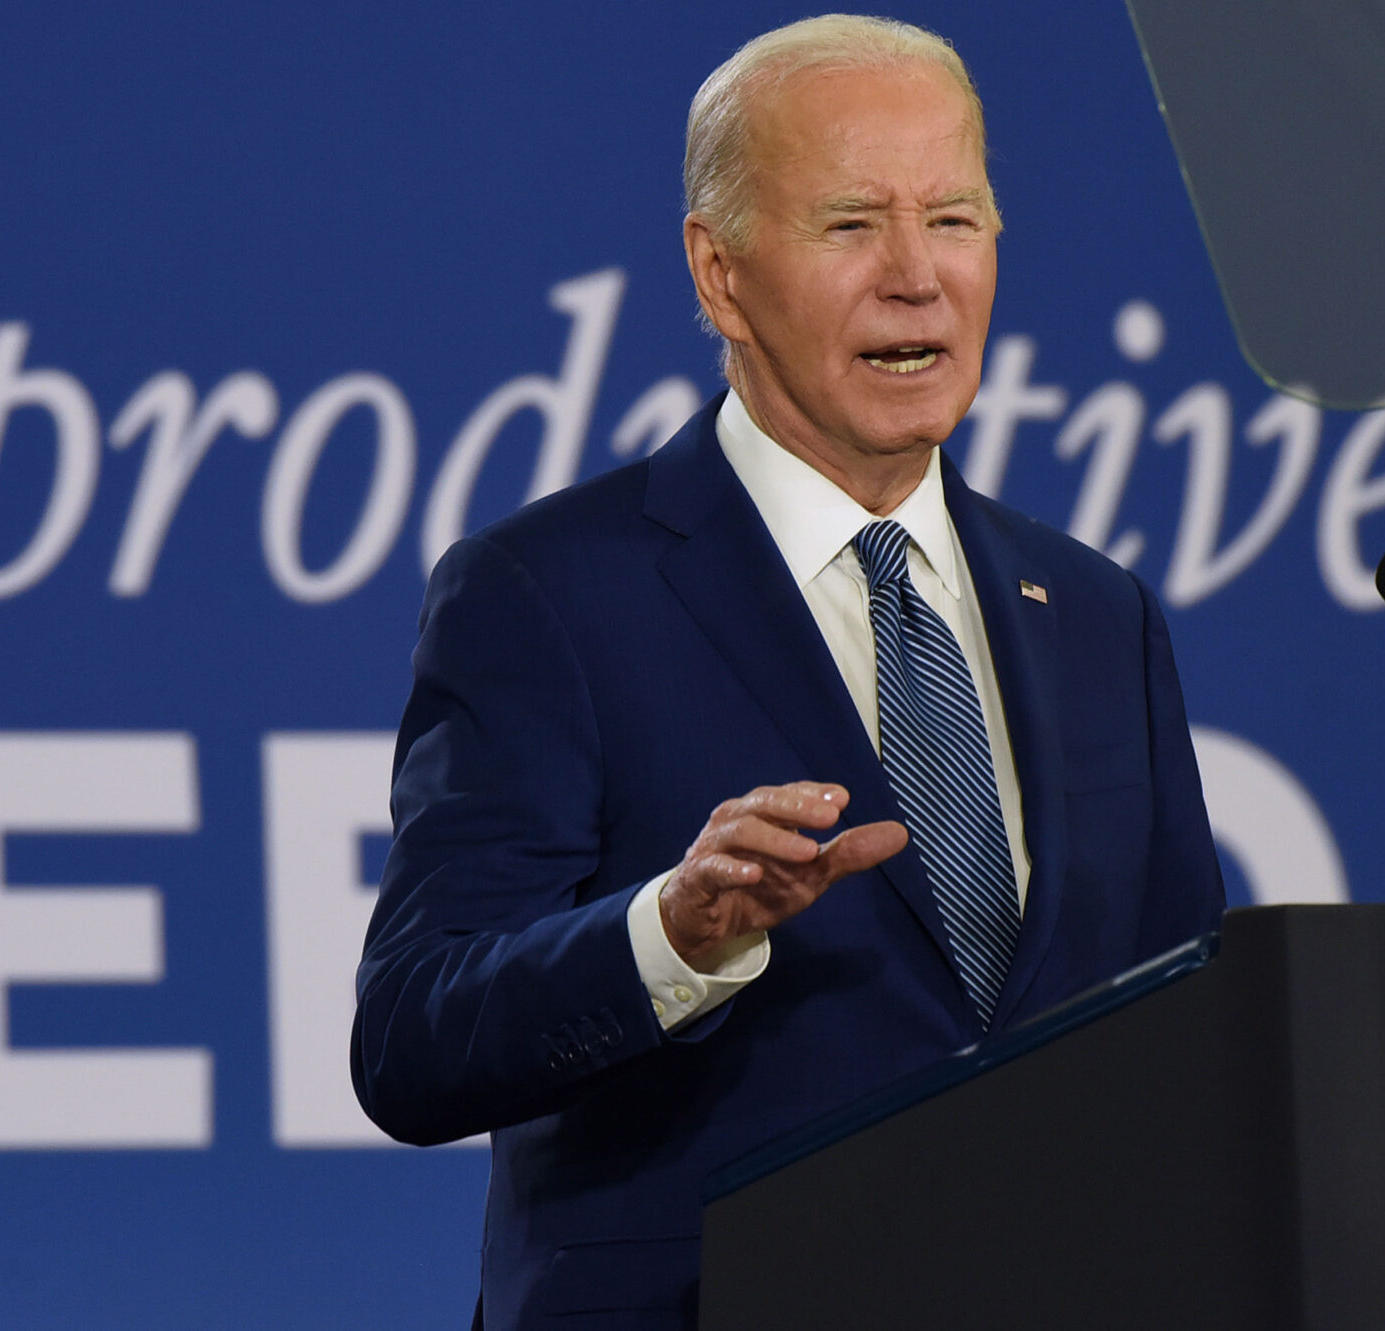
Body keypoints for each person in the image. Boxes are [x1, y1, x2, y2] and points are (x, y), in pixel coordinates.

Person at [351, 15, 1224, 1329]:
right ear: (719, 276)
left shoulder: (1097, 616)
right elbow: (412, 1038)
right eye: (852, 224)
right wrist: (671, 936)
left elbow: (1186, 1047)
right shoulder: (549, 595)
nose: (917, 278)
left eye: (955, 218)